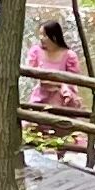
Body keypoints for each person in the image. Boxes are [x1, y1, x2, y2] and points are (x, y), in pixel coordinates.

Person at [26, 15, 88, 156]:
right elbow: (32, 73)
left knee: (63, 129)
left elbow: (74, 79)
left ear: (54, 36)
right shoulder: (36, 52)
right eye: (40, 35)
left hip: (62, 96)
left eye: (45, 35)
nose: (41, 38)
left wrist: (61, 86)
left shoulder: (69, 55)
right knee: (31, 124)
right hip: (42, 94)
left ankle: (63, 154)